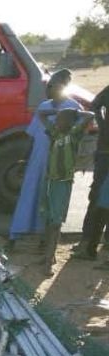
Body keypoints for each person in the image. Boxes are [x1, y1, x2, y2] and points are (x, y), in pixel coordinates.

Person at [9, 68, 82, 253]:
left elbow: (78, 137)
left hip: (58, 164)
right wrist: (24, 160)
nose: (48, 89)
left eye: (52, 85)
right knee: (29, 195)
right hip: (37, 161)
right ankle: (17, 235)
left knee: (51, 202)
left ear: (63, 86)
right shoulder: (43, 106)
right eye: (48, 85)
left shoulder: (73, 107)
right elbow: (32, 137)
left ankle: (46, 242)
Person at [83, 83, 109, 259]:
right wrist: (103, 125)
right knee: (99, 197)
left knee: (100, 199)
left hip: (104, 151)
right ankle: (89, 242)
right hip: (104, 150)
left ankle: (93, 245)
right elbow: (94, 105)